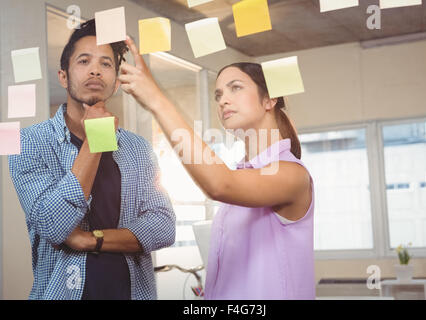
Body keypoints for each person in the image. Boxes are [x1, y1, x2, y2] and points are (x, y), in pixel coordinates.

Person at [118, 36, 315, 299]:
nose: (222, 100)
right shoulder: (244, 175)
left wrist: (157, 100)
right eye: (219, 94)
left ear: (269, 100)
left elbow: (219, 184)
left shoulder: (292, 174)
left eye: (235, 88)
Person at [8, 19, 176, 300]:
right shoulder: (28, 143)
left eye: (106, 64)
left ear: (116, 83)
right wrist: (96, 140)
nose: (95, 69)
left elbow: (163, 226)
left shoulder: (139, 148)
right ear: (63, 76)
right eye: (84, 61)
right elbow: (53, 224)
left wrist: (91, 240)